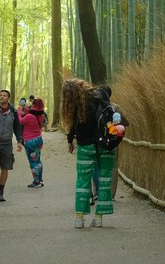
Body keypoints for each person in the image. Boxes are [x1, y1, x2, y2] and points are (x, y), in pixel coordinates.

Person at [62, 79, 126, 228]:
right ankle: (99, 218)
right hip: (106, 143)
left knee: (82, 181)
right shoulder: (99, 95)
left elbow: (72, 126)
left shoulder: (74, 106)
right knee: (104, 181)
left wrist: (70, 141)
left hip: (86, 146)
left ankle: (79, 218)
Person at [20, 97, 47, 188]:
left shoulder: (29, 116)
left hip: (30, 141)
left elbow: (20, 121)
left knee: (33, 161)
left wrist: (20, 112)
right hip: (39, 139)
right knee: (38, 160)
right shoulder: (41, 115)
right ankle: (40, 179)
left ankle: (36, 182)